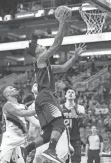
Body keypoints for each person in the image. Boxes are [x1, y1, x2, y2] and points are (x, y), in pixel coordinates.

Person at [24, 10, 86, 163]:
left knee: (48, 133)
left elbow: (64, 67)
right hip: (46, 96)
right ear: (37, 52)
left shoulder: (47, 66)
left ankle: (27, 149)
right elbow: (57, 44)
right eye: (39, 46)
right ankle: (52, 150)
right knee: (60, 124)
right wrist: (62, 22)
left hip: (42, 99)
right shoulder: (40, 59)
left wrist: (75, 56)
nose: (42, 47)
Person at [0, 86, 36, 163]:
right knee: (2, 161)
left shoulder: (23, 106)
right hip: (10, 139)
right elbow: (20, 113)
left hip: (21, 140)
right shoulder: (7, 105)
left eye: (14, 88)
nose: (14, 88)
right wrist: (38, 109)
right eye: (11, 88)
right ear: (7, 94)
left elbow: (33, 120)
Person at [61, 88, 85, 163]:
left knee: (76, 161)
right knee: (63, 160)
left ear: (75, 96)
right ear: (65, 95)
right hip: (63, 138)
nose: (70, 93)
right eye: (69, 92)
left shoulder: (80, 107)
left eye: (72, 92)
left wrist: (73, 109)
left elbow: (81, 121)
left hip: (75, 138)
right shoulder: (60, 107)